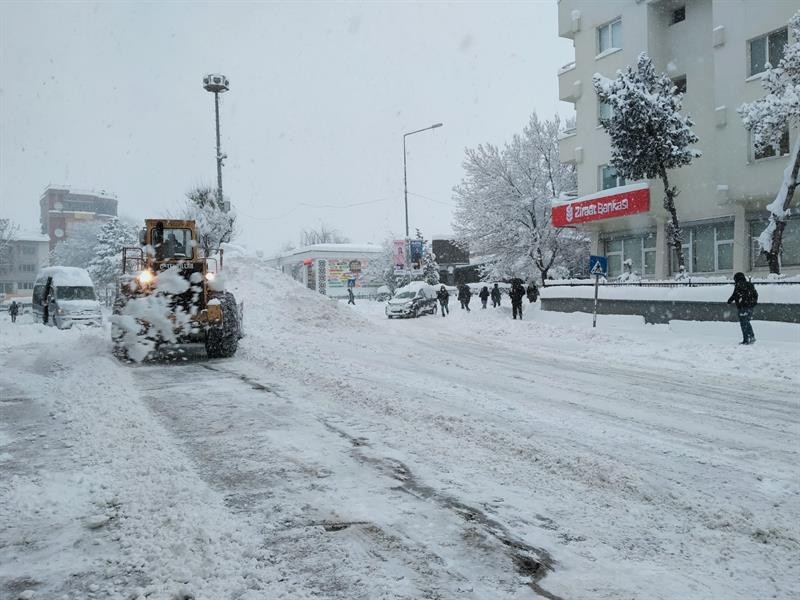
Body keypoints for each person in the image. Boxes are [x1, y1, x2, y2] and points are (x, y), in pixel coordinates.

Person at [727, 272, 758, 344]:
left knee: (743, 324)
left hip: (742, 307)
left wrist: (729, 301)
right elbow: (755, 295)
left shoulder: (738, 285)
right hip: (750, 307)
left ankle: (746, 339)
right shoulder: (750, 285)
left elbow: (734, 295)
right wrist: (753, 303)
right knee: (746, 322)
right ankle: (751, 337)